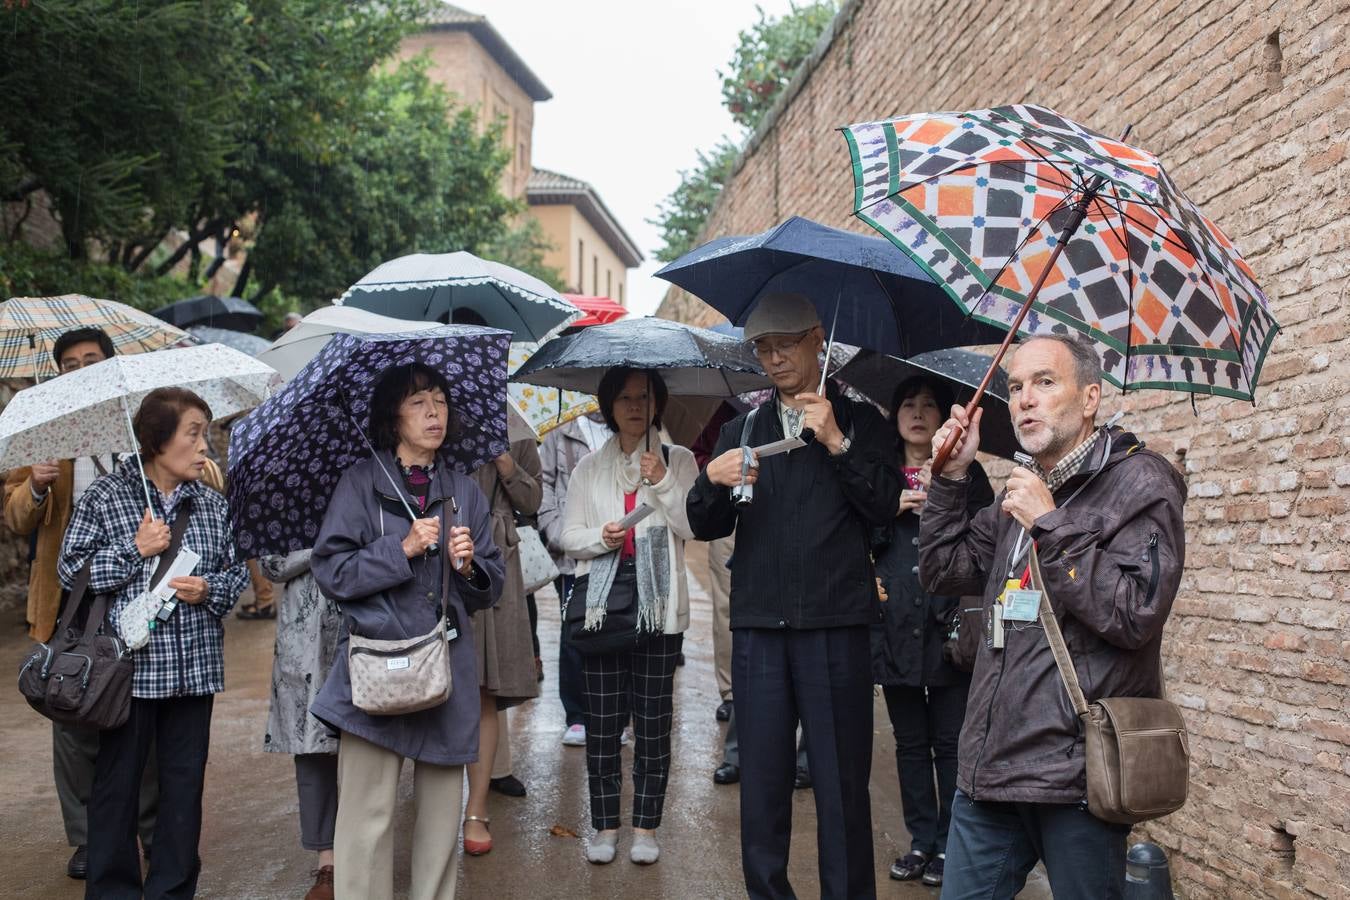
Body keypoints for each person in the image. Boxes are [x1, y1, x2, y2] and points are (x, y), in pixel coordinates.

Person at [919, 333, 1187, 899]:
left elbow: (1136, 614)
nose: (1024, 399)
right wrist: (951, 478)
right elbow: (944, 572)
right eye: (1015, 386)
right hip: (991, 766)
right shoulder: (1020, 491)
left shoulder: (1142, 483)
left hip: (1075, 778)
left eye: (1044, 382)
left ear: (1090, 398)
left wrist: (1051, 526)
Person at [686, 292, 899, 900]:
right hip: (759, 628)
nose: (775, 359)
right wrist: (711, 480)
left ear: (816, 341)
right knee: (762, 785)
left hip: (836, 627)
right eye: (763, 349)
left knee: (841, 786)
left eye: (785, 345)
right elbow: (704, 524)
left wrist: (836, 442)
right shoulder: (741, 430)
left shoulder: (861, 423)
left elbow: (884, 506)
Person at [309, 362, 503, 900]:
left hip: (445, 667)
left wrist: (469, 567)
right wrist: (402, 549)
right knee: (365, 820)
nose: (433, 412)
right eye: (418, 402)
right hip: (377, 667)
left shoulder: (464, 491)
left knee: (440, 821)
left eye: (439, 400)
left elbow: (492, 586)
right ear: (393, 416)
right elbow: (332, 572)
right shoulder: (359, 483)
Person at [58, 387, 248, 897]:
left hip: (192, 669)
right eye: (194, 433)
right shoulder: (106, 496)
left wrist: (209, 589)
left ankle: (172, 889)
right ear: (158, 439)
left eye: (206, 433)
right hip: (126, 672)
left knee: (184, 788)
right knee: (117, 787)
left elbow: (235, 574)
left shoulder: (211, 505)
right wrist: (134, 548)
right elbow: (70, 572)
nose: (205, 446)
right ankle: (113, 890)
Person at [1, 327, 160, 881]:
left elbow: (194, 471)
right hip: (68, 598)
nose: (82, 369)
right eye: (71, 364)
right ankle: (89, 838)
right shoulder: (44, 428)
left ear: (110, 363)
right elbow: (15, 516)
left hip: (137, 588)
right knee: (71, 713)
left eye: (92, 359)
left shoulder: (140, 420)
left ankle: (149, 832)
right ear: (59, 372)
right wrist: (36, 486)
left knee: (139, 709)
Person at [559, 367, 698, 866]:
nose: (635, 406)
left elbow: (692, 525)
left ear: (658, 403)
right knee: (601, 725)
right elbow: (568, 536)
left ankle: (645, 827)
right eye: (624, 398)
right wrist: (602, 537)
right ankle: (605, 826)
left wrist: (662, 481)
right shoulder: (588, 468)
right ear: (609, 406)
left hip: (659, 611)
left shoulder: (679, 460)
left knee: (654, 726)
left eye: (644, 397)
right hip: (605, 609)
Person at [871, 376, 993, 887]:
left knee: (950, 741)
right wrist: (891, 508)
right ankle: (920, 839)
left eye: (928, 406)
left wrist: (944, 504)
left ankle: (948, 844)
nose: (918, 414)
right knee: (909, 742)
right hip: (894, 622)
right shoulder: (878, 472)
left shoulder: (967, 473)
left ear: (943, 416)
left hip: (948, 625)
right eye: (908, 405)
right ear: (895, 415)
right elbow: (855, 535)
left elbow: (987, 538)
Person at [462, 435, 543, 855]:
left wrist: (506, 463)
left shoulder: (517, 432)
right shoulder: (433, 425)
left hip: (496, 558)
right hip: (441, 548)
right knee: (436, 683)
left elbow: (532, 501)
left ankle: (476, 809)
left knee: (484, 688)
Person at [259, 550, 342, 900]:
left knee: (369, 744)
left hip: (365, 612)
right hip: (305, 630)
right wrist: (324, 544)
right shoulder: (287, 512)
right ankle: (328, 861)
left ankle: (364, 847)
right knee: (313, 747)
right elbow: (271, 564)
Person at [537, 410, 612, 747]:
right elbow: (544, 485)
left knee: (615, 629)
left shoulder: (626, 426)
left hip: (616, 548)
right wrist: (558, 533)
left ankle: (613, 714)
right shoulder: (561, 430)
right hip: (571, 554)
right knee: (574, 633)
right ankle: (577, 715)